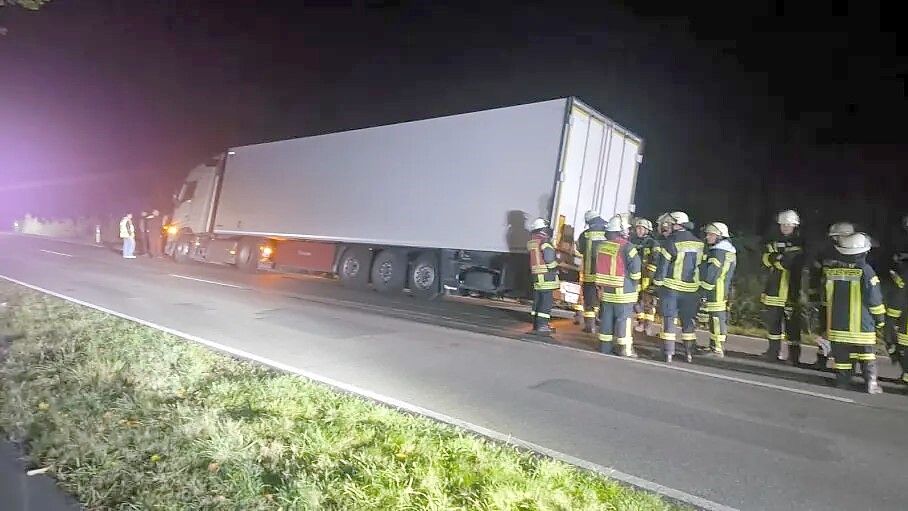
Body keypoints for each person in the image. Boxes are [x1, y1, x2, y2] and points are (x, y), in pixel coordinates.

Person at [822, 232, 885, 393]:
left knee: (842, 358)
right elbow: (874, 298)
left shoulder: (833, 270)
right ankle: (871, 383)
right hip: (861, 328)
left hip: (838, 327)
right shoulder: (866, 271)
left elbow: (825, 296)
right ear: (864, 251)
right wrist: (880, 319)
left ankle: (842, 382)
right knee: (866, 356)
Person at [653, 211, 704, 363]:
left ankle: (667, 353)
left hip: (671, 289)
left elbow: (662, 267)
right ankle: (689, 353)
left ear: (677, 224)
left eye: (670, 222)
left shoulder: (670, 242)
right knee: (688, 321)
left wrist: (656, 284)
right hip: (691, 290)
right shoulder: (699, 243)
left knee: (669, 320)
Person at [760, 209, 806, 364]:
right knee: (773, 325)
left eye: (789, 225)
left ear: (795, 226)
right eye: (783, 225)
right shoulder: (773, 242)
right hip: (773, 291)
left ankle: (793, 357)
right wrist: (778, 259)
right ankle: (773, 352)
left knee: (792, 327)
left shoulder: (799, 245)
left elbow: (788, 264)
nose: (785, 227)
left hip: (791, 292)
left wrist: (777, 259)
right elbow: (766, 260)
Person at [807, 222, 855, 369]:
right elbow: (815, 274)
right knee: (823, 329)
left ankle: (844, 364)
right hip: (826, 299)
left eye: (841, 237)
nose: (839, 240)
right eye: (836, 237)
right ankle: (821, 360)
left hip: (846, 303)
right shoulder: (825, 253)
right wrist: (813, 295)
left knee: (843, 333)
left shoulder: (855, 254)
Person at [595, 215, 641, 356]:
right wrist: (636, 284)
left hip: (607, 291)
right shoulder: (628, 247)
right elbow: (635, 270)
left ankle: (605, 347)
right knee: (624, 320)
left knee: (607, 320)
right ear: (620, 230)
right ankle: (625, 349)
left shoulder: (602, 246)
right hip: (624, 292)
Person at [699, 222, 737, 358]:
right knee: (718, 318)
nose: (707, 237)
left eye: (711, 235)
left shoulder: (717, 252)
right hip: (723, 288)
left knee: (716, 319)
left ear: (720, 236)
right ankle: (715, 345)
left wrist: (703, 292)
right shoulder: (729, 250)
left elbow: (711, 274)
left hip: (715, 290)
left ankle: (716, 349)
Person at [576, 210, 608, 333]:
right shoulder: (607, 233)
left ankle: (590, 326)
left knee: (590, 300)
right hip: (605, 274)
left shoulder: (585, 234)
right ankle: (604, 323)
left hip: (590, 273)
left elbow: (580, 249)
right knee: (604, 299)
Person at [527, 218, 560, 335]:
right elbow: (549, 260)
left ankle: (536, 324)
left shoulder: (532, 242)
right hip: (546, 276)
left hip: (536, 275)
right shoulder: (545, 242)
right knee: (546, 302)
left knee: (538, 301)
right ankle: (542, 325)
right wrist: (556, 267)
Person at [630, 218, 658, 333]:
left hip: (647, 278)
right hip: (635, 276)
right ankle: (640, 322)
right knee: (635, 300)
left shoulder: (653, 243)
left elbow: (655, 261)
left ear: (647, 230)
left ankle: (647, 326)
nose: (639, 230)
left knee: (648, 303)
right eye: (638, 228)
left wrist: (651, 277)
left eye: (642, 228)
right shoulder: (632, 241)